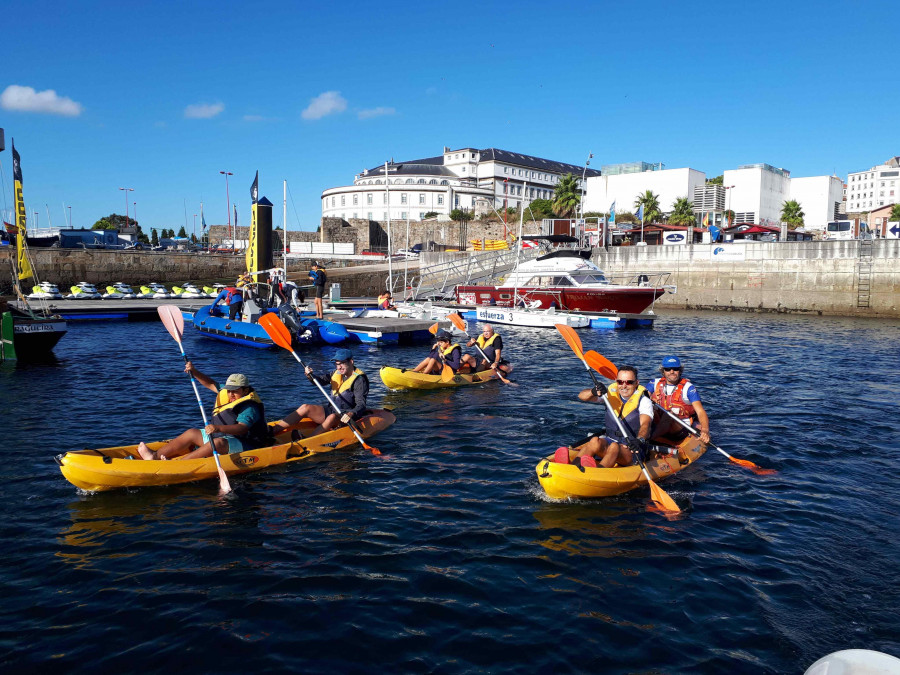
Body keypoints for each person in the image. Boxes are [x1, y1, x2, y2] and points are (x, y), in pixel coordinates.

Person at [137, 363, 267, 460]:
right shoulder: (227, 393)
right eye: (229, 390)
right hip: (225, 436)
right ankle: (155, 456)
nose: (231, 394)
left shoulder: (249, 407)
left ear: (245, 391)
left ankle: (178, 465)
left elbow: (242, 429)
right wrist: (194, 371)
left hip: (249, 444)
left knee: (217, 443)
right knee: (192, 433)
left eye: (235, 391)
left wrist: (218, 428)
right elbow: (211, 384)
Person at [554, 365, 653, 468]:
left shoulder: (644, 401)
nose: (624, 386)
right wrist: (593, 391)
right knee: (594, 441)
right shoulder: (610, 395)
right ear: (616, 381)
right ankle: (573, 466)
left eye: (629, 382)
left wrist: (640, 440)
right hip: (611, 441)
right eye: (620, 382)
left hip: (633, 448)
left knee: (614, 447)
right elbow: (581, 396)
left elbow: (646, 424)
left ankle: (599, 471)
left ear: (637, 383)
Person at [272, 348, 369, 437]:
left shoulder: (360, 380)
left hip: (346, 416)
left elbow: (361, 404)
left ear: (351, 362)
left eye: (342, 363)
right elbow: (320, 381)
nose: (339, 367)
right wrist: (310, 376)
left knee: (331, 417)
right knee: (305, 407)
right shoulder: (336, 373)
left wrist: (351, 414)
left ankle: (308, 440)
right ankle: (273, 430)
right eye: (337, 364)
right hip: (332, 410)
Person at [647, 356, 711, 446]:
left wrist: (705, 430)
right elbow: (641, 399)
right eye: (668, 369)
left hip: (680, 429)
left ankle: (648, 439)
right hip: (658, 424)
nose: (671, 372)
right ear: (663, 371)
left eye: (675, 369)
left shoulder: (688, 388)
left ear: (680, 371)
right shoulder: (654, 383)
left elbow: (700, 411)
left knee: (669, 415)